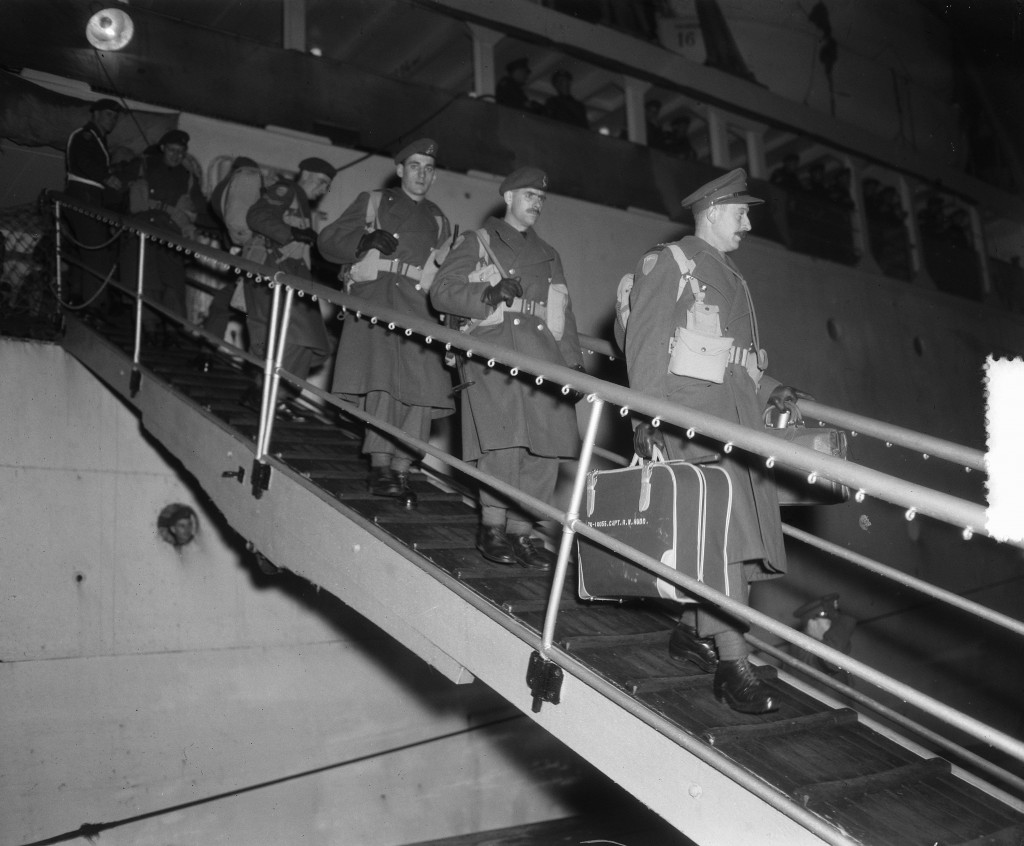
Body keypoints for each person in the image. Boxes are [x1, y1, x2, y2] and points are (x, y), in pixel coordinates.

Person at [625, 168, 807, 714]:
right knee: (725, 542)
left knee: (725, 543)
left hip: (734, 423)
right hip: (694, 426)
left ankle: (691, 630)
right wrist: (647, 421)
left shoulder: (726, 274)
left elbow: (735, 359)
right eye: (740, 213)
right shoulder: (673, 265)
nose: (747, 223)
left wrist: (774, 389)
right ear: (711, 213)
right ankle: (733, 663)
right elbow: (646, 347)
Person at [432, 166, 585, 570]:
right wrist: (487, 292)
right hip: (494, 352)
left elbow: (564, 314)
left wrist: (573, 367)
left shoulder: (549, 254)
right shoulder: (478, 241)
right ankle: (492, 526)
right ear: (509, 197)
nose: (536, 203)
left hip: (542, 357)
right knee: (503, 443)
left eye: (541, 197)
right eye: (529, 195)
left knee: (544, 449)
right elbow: (442, 291)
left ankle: (522, 531)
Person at [319, 139, 454, 506]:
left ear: (434, 175)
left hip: (419, 309)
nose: (421, 174)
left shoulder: (439, 219)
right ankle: (381, 467)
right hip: (377, 301)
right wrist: (363, 240)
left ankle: (403, 466)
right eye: (414, 166)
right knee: (381, 385)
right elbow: (328, 242)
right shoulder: (374, 201)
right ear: (400, 170)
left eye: (428, 168)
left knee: (421, 391)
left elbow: (443, 273)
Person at [243, 156, 335, 418]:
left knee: (295, 339)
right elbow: (257, 216)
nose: (322, 189)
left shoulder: (303, 204)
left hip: (287, 275)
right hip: (274, 271)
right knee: (298, 336)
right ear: (305, 174)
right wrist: (291, 234)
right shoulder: (287, 190)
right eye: (321, 182)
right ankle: (267, 395)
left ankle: (271, 396)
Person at [119, 129, 207, 343]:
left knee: (173, 285)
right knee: (146, 282)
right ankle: (149, 330)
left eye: (180, 152)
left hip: (170, 235)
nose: (176, 155)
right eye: (172, 150)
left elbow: (201, 208)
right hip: (143, 231)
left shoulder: (188, 177)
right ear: (162, 148)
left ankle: (174, 331)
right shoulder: (144, 165)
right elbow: (118, 181)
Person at [195, 155, 264, 368]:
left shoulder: (244, 196)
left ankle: (208, 356)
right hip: (253, 270)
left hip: (255, 269)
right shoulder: (259, 200)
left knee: (240, 313)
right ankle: (209, 355)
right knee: (227, 306)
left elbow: (236, 227)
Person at [63, 98, 124, 313]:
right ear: (95, 114)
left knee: (86, 252)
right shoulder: (84, 136)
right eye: (109, 114)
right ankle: (93, 307)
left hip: (91, 197)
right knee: (96, 253)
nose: (113, 119)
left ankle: (78, 298)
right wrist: (106, 177)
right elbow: (83, 161)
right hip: (84, 196)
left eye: (115, 116)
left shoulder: (98, 139)